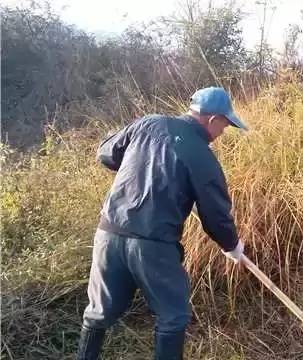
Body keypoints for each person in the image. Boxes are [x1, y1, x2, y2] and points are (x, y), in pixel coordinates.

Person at [76, 87, 248, 360]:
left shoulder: (147, 123)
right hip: (153, 246)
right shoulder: (202, 157)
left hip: (108, 235)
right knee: (173, 314)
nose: (223, 133)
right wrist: (231, 245)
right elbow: (215, 214)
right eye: (225, 125)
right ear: (212, 119)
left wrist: (139, 167)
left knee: (99, 310)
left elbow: (106, 154)